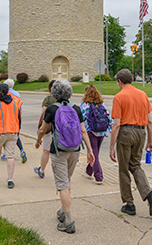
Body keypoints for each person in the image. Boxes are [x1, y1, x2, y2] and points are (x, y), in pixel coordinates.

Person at [36, 79, 94, 233]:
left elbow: (43, 129)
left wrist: (38, 139)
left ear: (54, 92)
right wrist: (90, 150)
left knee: (62, 185)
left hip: (58, 150)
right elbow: (83, 131)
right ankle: (63, 210)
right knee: (67, 182)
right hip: (75, 150)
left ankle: (68, 222)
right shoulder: (76, 108)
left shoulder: (52, 109)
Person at [109, 68, 152, 216]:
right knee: (136, 165)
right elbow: (149, 121)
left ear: (119, 81)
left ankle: (129, 203)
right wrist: (150, 141)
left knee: (124, 168)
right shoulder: (143, 95)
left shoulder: (119, 97)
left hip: (125, 132)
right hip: (141, 132)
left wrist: (112, 146)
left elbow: (116, 124)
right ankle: (148, 194)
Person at [0, 83, 22, 189]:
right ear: (8, 92)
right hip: (12, 132)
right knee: (10, 156)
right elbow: (18, 118)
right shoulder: (15, 103)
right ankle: (10, 180)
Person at [79, 84, 112, 184]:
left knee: (94, 153)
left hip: (90, 131)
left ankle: (99, 177)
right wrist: (111, 129)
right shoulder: (101, 104)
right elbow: (108, 118)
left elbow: (80, 118)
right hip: (101, 131)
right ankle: (89, 171)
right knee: (95, 152)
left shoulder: (84, 104)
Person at [34, 80, 57, 179]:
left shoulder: (48, 99)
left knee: (46, 151)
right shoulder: (63, 98)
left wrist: (40, 125)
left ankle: (42, 170)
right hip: (61, 129)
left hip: (49, 127)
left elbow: (44, 111)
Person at [3, 78, 27, 163]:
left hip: (8, 117)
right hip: (17, 117)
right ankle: (22, 150)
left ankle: (6, 153)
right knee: (16, 135)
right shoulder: (17, 94)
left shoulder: (6, 93)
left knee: (6, 135)